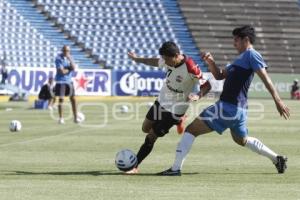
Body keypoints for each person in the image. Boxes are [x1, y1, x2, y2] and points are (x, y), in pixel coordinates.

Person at [158, 25, 290, 176]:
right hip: (238, 110)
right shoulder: (240, 59)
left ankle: (175, 169)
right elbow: (220, 75)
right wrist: (211, 62)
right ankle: (277, 159)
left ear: (246, 39)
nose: (234, 43)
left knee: (191, 130)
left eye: (236, 40)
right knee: (242, 140)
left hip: (228, 107)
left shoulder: (252, 55)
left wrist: (277, 100)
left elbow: (266, 79)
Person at [126, 41, 212, 173]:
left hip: (176, 108)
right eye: (164, 59)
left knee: (151, 136)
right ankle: (180, 120)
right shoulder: (168, 60)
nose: (165, 62)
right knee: (145, 128)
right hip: (161, 101)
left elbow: (207, 86)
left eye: (167, 59)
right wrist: (137, 59)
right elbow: (155, 62)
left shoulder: (191, 67)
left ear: (177, 55)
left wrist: (198, 96)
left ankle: (135, 166)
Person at [54, 45, 78, 124]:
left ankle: (75, 117)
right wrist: (70, 69)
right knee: (61, 99)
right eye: (64, 50)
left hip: (69, 81)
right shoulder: (58, 59)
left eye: (67, 51)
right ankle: (61, 118)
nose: (66, 52)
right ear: (62, 50)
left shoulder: (70, 58)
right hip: (61, 81)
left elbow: (74, 68)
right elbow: (62, 72)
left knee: (73, 99)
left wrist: (70, 60)